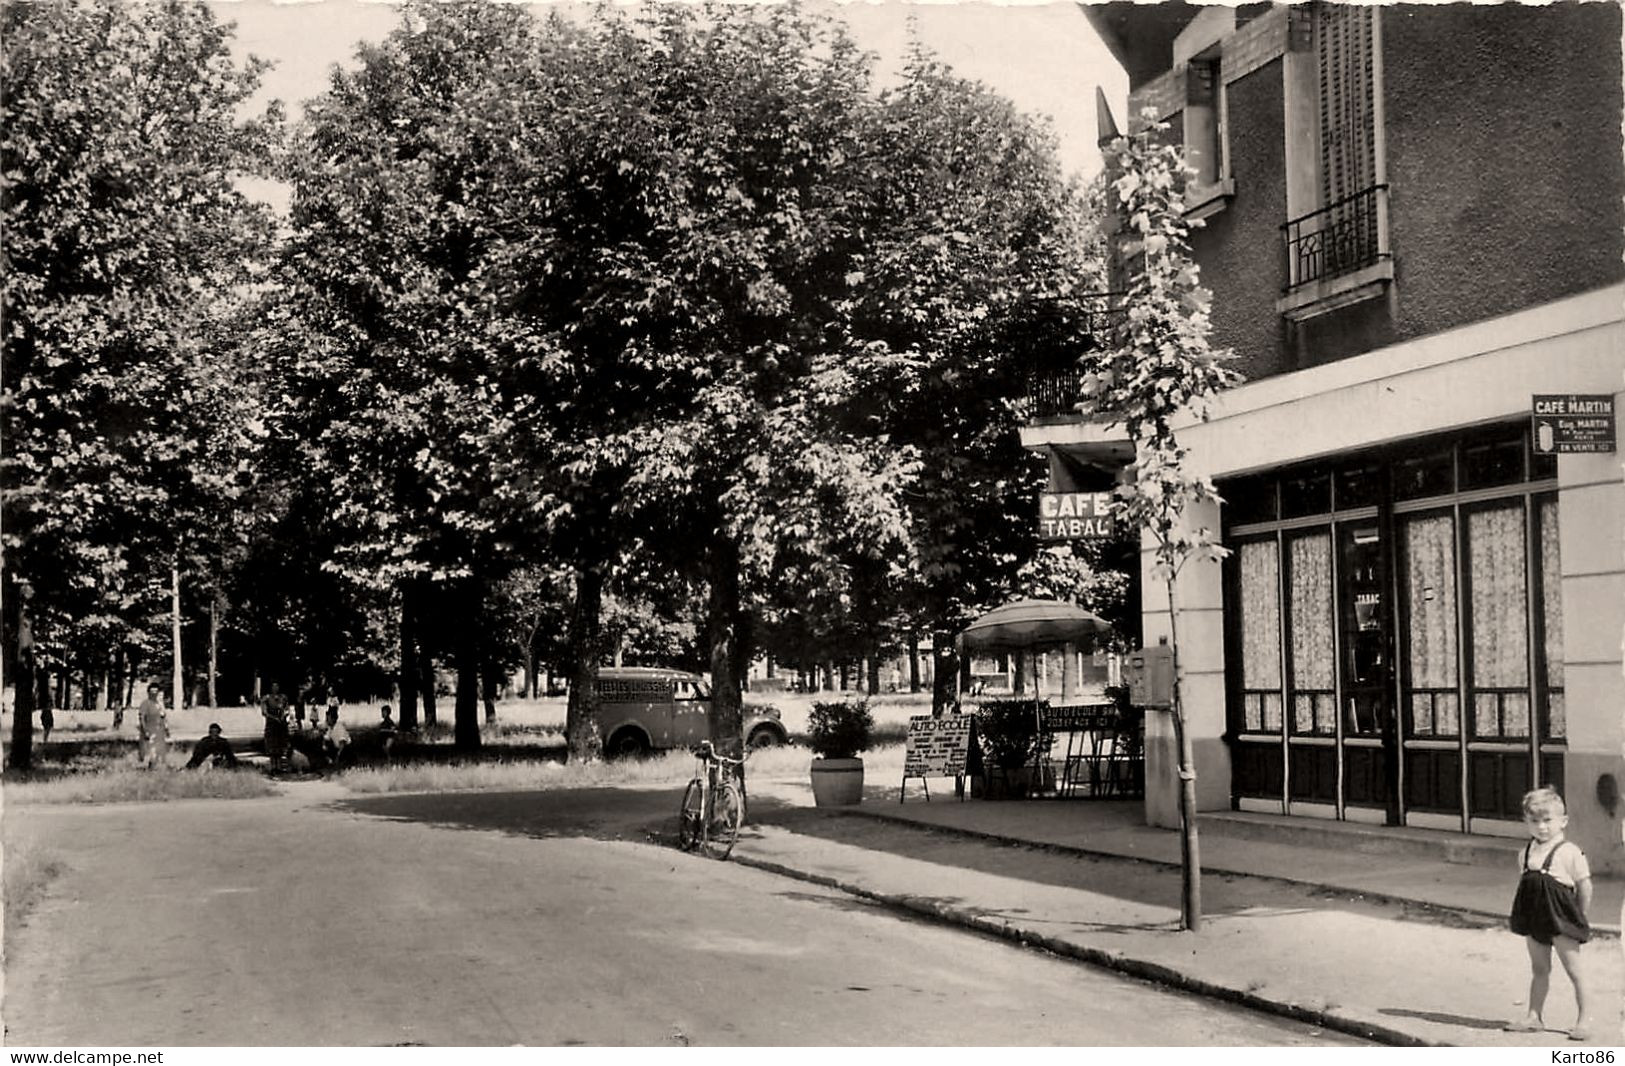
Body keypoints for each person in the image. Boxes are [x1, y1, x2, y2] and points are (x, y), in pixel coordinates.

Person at [1505, 787, 1593, 1040]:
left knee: (1575, 971)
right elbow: (1527, 885)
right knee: (1539, 968)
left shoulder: (1570, 852)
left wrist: (1579, 916)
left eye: (1548, 821)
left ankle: (1584, 1021)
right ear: (1526, 822)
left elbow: (1584, 886)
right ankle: (1534, 1016)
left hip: (1562, 919)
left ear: (1563, 821)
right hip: (1534, 918)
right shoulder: (1525, 853)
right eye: (1534, 821)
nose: (1542, 827)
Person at [136, 683, 168, 769]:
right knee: (150, 752)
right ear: (148, 692)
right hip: (150, 730)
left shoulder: (159, 704)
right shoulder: (145, 704)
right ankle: (149, 768)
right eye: (152, 691)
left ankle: (157, 768)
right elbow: (141, 718)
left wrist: (166, 729)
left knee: (159, 751)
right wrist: (145, 730)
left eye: (156, 691)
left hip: (159, 731)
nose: (154, 693)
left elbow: (163, 717)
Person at [262, 682, 291, 772]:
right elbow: (264, 712)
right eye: (273, 686)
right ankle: (273, 766)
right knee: (272, 745)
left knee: (280, 745)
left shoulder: (283, 698)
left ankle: (279, 766)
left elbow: (287, 709)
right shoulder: (266, 698)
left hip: (281, 725)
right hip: (271, 724)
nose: (275, 688)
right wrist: (274, 718)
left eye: (277, 686)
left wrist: (284, 716)